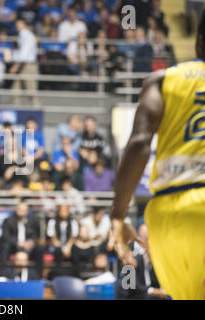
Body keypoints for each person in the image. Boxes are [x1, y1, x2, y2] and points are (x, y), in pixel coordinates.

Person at [110, 10, 205, 300]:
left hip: (166, 216)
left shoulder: (163, 80)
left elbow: (139, 143)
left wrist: (117, 214)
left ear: (199, 40)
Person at [0, 200, 43, 278]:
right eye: (19, 209)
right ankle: (3, 274)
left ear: (27, 211)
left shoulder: (33, 221)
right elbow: (6, 236)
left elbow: (36, 236)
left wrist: (31, 243)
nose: (21, 211)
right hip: (13, 247)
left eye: (23, 210)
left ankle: (38, 276)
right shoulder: (8, 221)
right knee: (4, 247)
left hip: (28, 247)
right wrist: (18, 243)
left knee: (39, 249)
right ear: (16, 210)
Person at [8, 19, 39, 107]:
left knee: (31, 92)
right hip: (23, 65)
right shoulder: (24, 35)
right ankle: (17, 111)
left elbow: (24, 53)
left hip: (28, 65)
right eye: (16, 24)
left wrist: (16, 65)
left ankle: (37, 111)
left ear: (24, 24)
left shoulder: (26, 35)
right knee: (15, 91)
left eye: (20, 24)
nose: (17, 26)